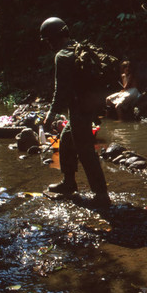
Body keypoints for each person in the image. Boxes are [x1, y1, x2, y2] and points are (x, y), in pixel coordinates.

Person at [40, 17, 110, 207]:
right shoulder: (78, 48)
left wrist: (51, 113)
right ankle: (69, 183)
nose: (48, 44)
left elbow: (61, 90)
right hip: (89, 106)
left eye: (48, 40)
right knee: (66, 139)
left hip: (79, 109)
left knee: (85, 151)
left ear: (53, 38)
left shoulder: (62, 55)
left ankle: (101, 195)